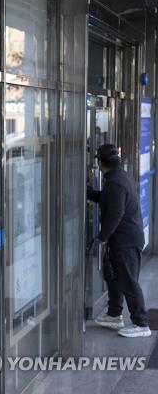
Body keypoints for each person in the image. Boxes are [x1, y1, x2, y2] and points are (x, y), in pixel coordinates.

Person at [87, 144, 150, 338]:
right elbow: (108, 200)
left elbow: (115, 213)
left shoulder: (115, 182)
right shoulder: (118, 177)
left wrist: (103, 237)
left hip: (126, 241)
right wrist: (88, 192)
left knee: (128, 281)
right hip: (124, 239)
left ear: (100, 162)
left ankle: (141, 324)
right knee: (113, 276)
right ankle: (115, 314)